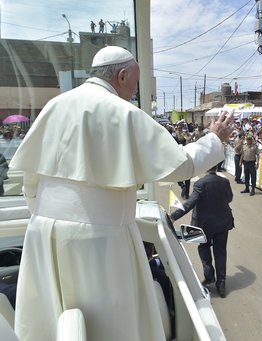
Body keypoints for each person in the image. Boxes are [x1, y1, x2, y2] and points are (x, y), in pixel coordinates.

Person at [10, 46, 234, 341]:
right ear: (123, 75)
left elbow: (32, 177)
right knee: (109, 324)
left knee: (53, 320)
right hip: (98, 241)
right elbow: (179, 164)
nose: (134, 90)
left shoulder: (55, 105)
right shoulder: (122, 111)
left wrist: (44, 216)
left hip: (42, 233)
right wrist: (214, 139)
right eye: (135, 82)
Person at [170, 166, 234, 298]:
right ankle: (221, 283)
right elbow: (229, 199)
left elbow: (190, 203)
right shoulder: (225, 182)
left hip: (205, 225)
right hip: (223, 222)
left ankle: (209, 276)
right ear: (216, 168)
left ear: (205, 168)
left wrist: (173, 216)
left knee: (204, 247)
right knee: (221, 251)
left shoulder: (200, 184)